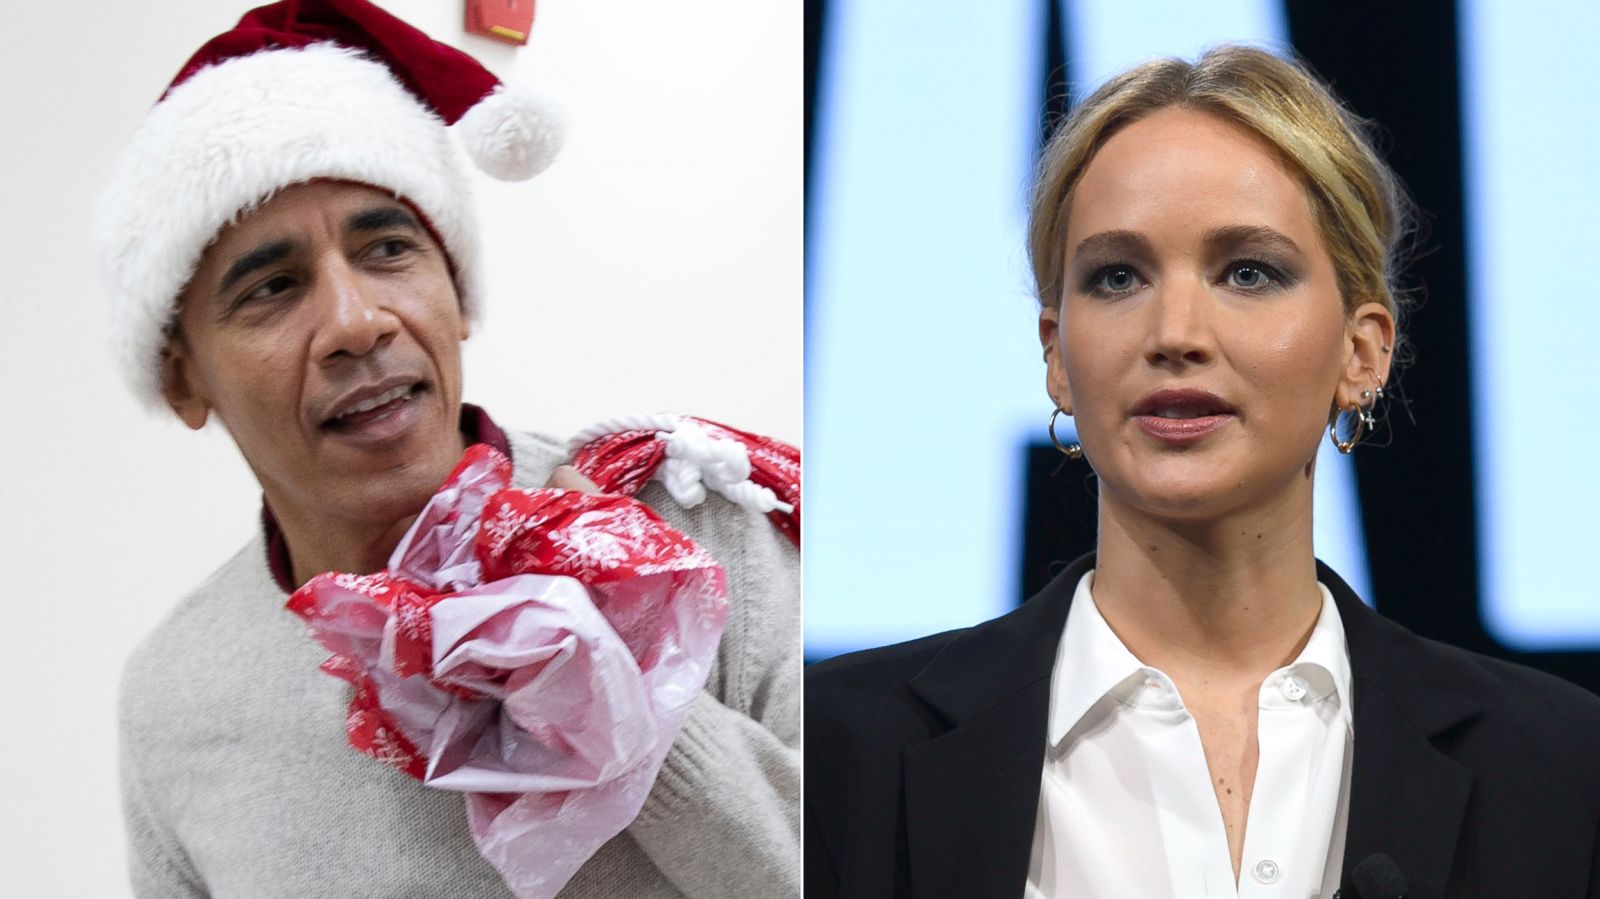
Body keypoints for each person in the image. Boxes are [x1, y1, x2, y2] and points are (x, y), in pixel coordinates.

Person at [805, 46, 1600, 899]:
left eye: (1247, 271)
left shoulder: (1562, 766)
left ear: (1361, 351)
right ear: (1057, 356)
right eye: (1117, 276)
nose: (1174, 331)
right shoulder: (838, 750)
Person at [97, 2, 799, 897]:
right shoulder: (175, 694)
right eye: (273, 287)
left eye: (388, 248)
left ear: (458, 293)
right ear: (183, 380)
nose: (356, 322)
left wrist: (630, 703)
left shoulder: (694, 527)